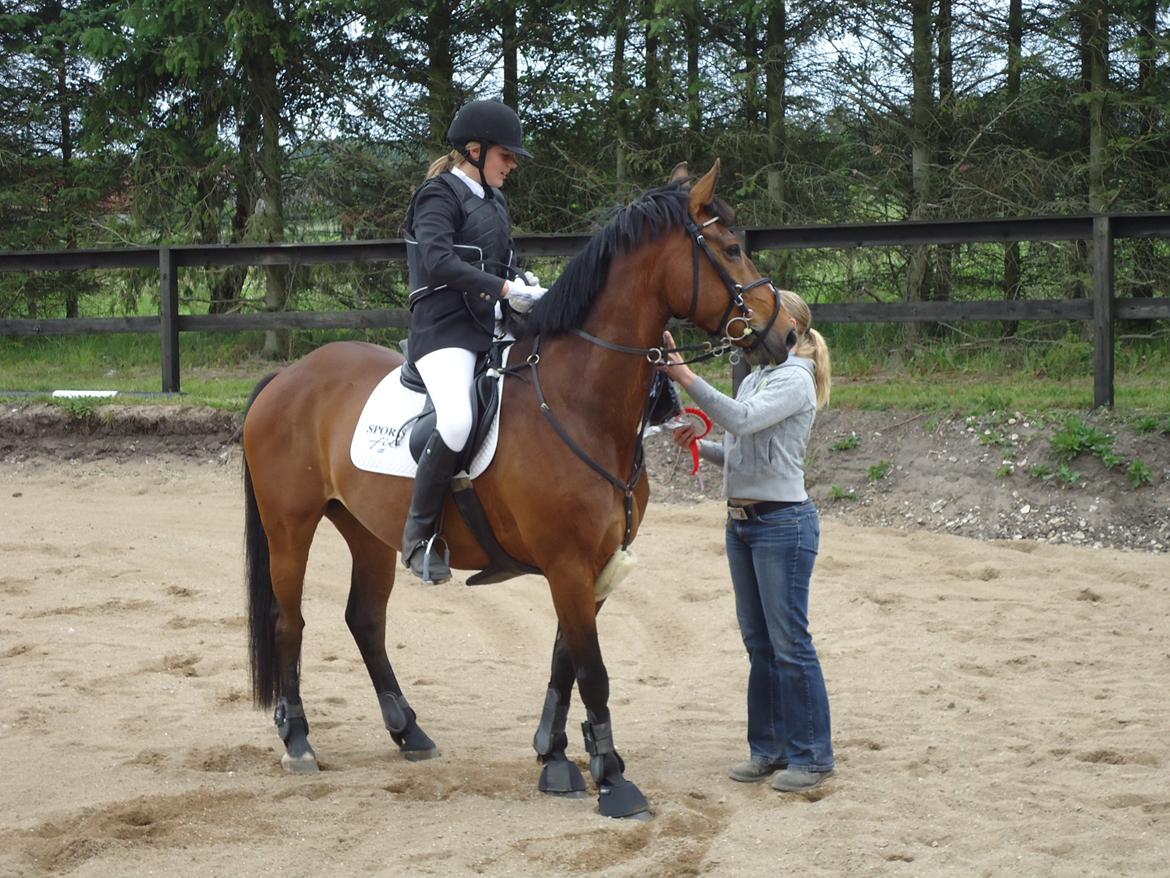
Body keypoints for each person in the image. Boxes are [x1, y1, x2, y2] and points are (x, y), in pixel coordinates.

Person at [660, 289, 836, 793]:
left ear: (791, 329)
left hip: (782, 524)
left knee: (790, 643)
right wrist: (701, 444)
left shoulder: (796, 381)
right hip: (743, 522)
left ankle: (813, 756)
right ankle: (770, 749)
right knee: (760, 643)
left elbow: (739, 419)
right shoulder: (759, 375)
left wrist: (685, 375)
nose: (748, 329)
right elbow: (743, 445)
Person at [400, 99, 546, 584]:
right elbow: (439, 261)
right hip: (444, 330)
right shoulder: (437, 195)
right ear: (475, 151)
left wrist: (521, 283)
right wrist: (504, 289)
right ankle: (420, 538)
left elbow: (501, 263)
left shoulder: (495, 201)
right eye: (506, 155)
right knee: (458, 421)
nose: (513, 165)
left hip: (489, 326)